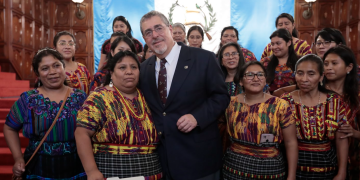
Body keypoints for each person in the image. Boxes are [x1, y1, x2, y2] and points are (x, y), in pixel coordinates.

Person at [139, 11, 230, 180]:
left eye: (159, 28)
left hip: (199, 160)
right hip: (161, 163)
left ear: (170, 29)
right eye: (148, 32)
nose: (155, 35)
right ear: (144, 38)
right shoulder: (144, 69)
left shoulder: (204, 59)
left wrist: (197, 117)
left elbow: (221, 97)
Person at [75, 51, 162, 179]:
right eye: (122, 67)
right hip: (112, 171)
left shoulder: (147, 96)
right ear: (111, 73)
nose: (129, 71)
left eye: (134, 67)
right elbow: (82, 133)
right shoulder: (99, 97)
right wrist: (92, 171)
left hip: (151, 171)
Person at [3, 48, 87, 179]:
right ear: (38, 73)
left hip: (76, 167)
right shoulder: (28, 99)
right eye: (45, 68)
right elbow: (9, 127)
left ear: (63, 67)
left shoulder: (80, 97)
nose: (52, 72)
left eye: (56, 65)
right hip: (38, 169)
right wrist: (18, 158)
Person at [223, 61, 298, 180]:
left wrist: (292, 175)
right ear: (241, 81)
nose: (256, 78)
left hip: (270, 167)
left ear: (265, 80)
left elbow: (290, 142)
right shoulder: (230, 103)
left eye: (260, 74)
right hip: (235, 165)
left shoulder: (280, 105)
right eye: (250, 75)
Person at [281, 54, 349, 179]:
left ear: (321, 76)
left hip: (327, 164)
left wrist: (342, 172)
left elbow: (341, 138)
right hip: (293, 164)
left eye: (311, 74)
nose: (304, 79)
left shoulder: (334, 101)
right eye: (300, 73)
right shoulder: (286, 101)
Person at [323, 45, 360, 180]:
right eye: (325, 63)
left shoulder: (356, 96)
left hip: (353, 157)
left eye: (334, 63)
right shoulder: (316, 92)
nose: (328, 67)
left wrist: (355, 133)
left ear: (349, 68)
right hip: (321, 158)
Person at [260, 28, 299, 94]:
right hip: (269, 101)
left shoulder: (300, 62)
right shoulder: (265, 62)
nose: (274, 47)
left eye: (278, 43)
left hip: (293, 101)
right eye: (272, 44)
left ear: (289, 42)